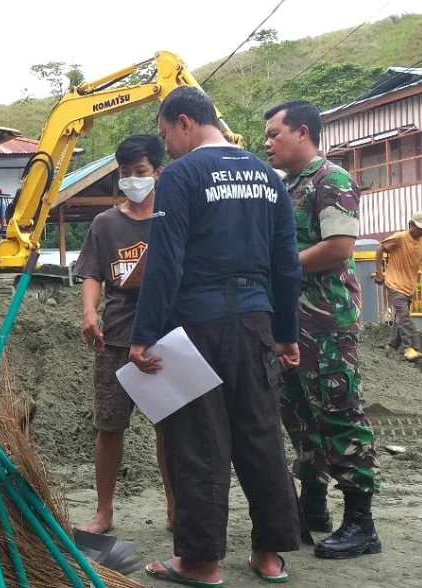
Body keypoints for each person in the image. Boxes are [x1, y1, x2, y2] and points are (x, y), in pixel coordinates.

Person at [129, 86, 302, 586]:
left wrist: (144, 335)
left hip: (198, 324)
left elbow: (166, 260)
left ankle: (201, 563)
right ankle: (270, 556)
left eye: (165, 136)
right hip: (256, 322)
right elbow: (286, 263)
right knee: (261, 435)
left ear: (185, 122)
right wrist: (286, 333)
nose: (167, 148)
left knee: (200, 441)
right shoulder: (268, 177)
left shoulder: (183, 175)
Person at [265, 100, 383, 560]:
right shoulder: (284, 186)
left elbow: (338, 247)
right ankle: (313, 507)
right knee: (297, 415)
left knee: (338, 413)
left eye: (275, 133)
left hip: (325, 321)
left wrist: (282, 266)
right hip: (291, 320)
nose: (269, 142)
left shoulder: (329, 179)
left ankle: (361, 522)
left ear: (303, 132)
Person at [72, 134, 175, 534]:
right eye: (126, 173)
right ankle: (104, 511)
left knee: (169, 426)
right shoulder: (106, 223)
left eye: (141, 172)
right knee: (109, 426)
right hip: (114, 336)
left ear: (158, 172)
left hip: (166, 339)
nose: (133, 179)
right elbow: (93, 272)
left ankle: (174, 508)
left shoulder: (172, 217)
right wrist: (89, 312)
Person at [375, 211, 422, 361]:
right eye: (420, 228)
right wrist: (379, 273)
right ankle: (411, 348)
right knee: (404, 315)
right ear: (411, 225)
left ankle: (392, 344)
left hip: (409, 284)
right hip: (394, 282)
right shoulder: (400, 238)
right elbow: (380, 249)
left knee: (400, 316)